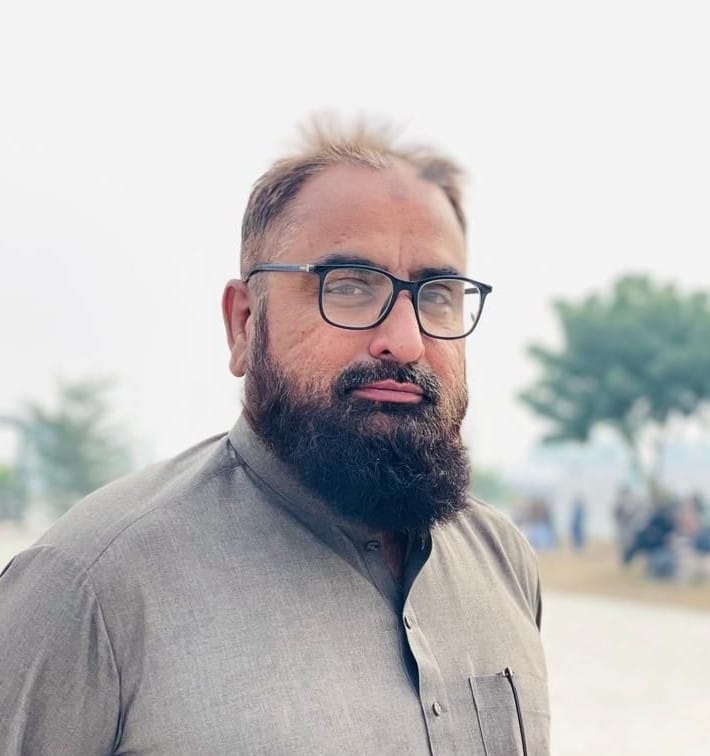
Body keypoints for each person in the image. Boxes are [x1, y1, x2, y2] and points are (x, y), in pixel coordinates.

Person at [0, 118, 550, 755]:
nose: (405, 341)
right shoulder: (89, 591)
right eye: (349, 287)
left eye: (438, 295)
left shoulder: (502, 562)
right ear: (243, 323)